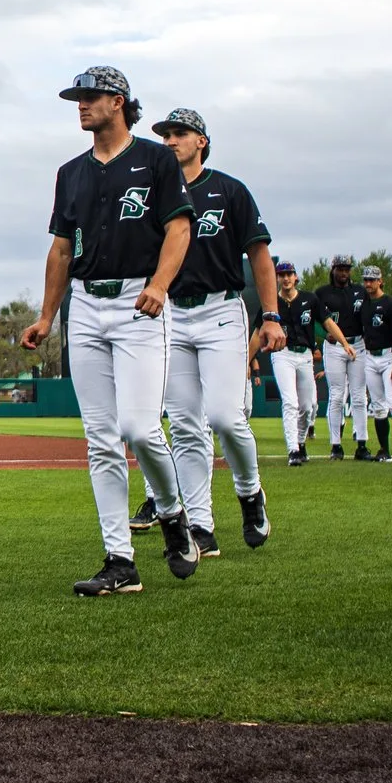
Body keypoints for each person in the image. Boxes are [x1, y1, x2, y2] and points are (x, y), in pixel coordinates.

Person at [15, 66, 196, 596]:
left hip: (139, 301)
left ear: (118, 101)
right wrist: (46, 316)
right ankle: (120, 561)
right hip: (86, 305)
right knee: (100, 440)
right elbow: (60, 249)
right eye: (77, 97)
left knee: (139, 428)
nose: (81, 104)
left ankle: (171, 510)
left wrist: (160, 284)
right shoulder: (70, 172)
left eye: (90, 96)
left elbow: (179, 227)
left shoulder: (156, 159)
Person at [150, 108, 276, 554]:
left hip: (220, 310)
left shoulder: (228, 190)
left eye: (179, 133)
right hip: (171, 314)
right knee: (185, 426)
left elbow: (259, 256)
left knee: (224, 417)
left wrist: (272, 315)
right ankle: (201, 526)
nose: (170, 140)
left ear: (201, 140)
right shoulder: (153, 194)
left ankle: (249, 491)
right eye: (165, 134)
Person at [351, 265, 392, 463]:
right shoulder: (364, 305)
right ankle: (384, 450)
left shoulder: (390, 304)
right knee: (378, 406)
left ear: (380, 281)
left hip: (389, 356)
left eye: (372, 280)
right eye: (366, 280)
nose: (368, 283)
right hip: (370, 356)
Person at [307, 256, 362, 458]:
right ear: (333, 270)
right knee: (337, 396)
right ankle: (335, 445)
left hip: (358, 343)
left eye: (346, 269)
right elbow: (311, 319)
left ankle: (362, 443)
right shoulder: (322, 293)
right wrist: (323, 334)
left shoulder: (359, 291)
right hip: (334, 346)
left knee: (359, 396)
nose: (344, 272)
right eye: (340, 269)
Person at [266, 262, 320, 465]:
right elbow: (258, 330)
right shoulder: (271, 302)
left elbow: (326, 323)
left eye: (289, 274)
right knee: (290, 402)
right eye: (282, 274)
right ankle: (293, 450)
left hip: (305, 355)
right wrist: (247, 361)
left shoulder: (309, 299)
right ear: (277, 278)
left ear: (296, 277)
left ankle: (301, 441)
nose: (286, 278)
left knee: (307, 406)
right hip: (283, 354)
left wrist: (344, 343)